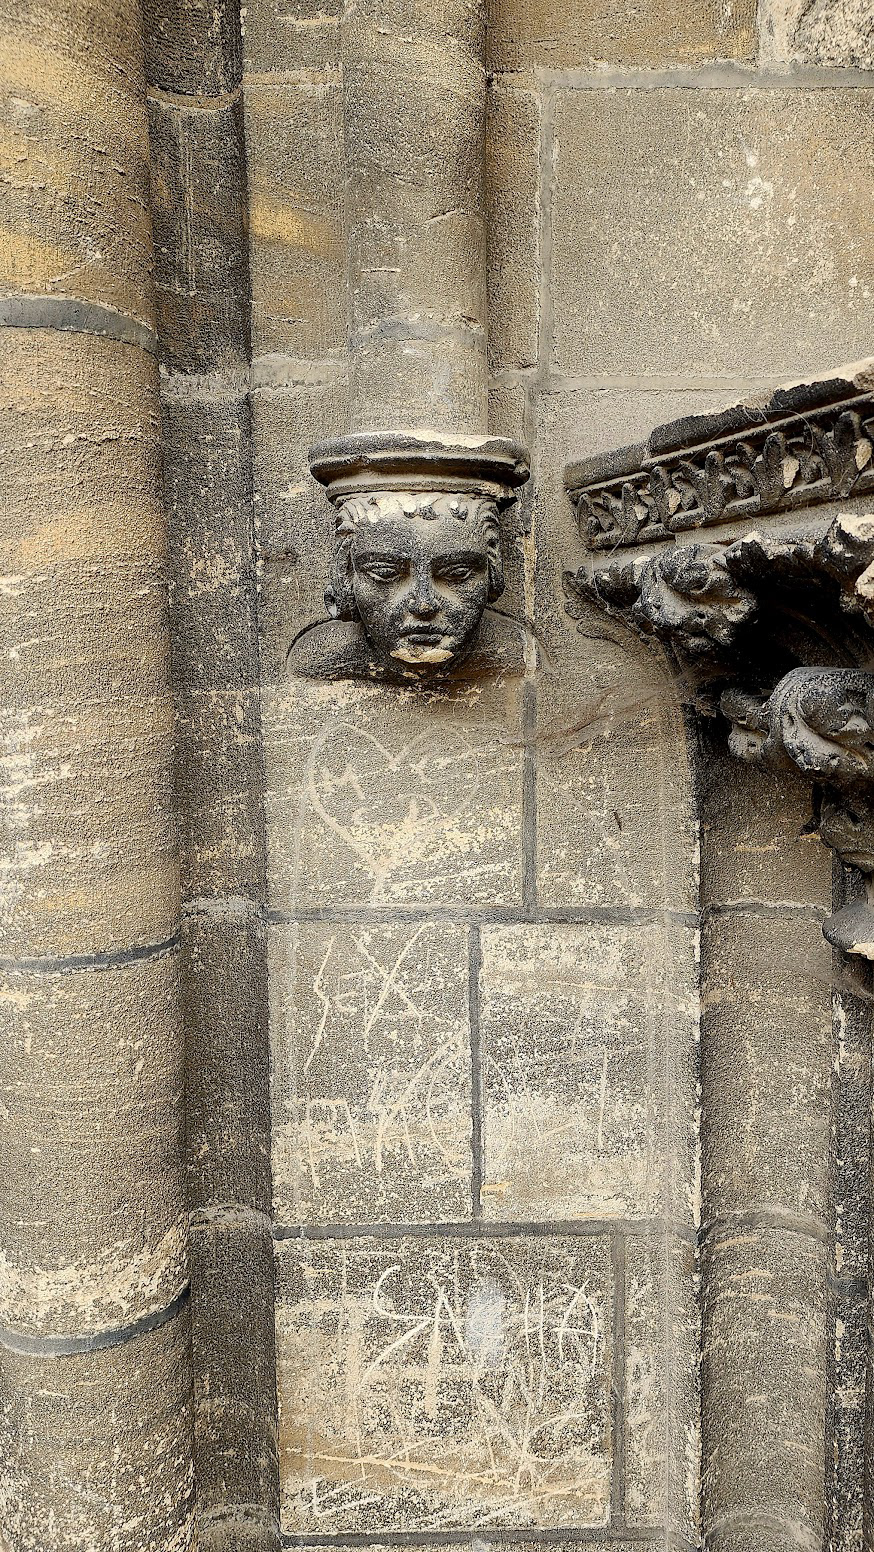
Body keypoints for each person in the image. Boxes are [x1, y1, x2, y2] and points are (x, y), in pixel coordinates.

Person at [287, 490, 525, 683]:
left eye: (457, 574)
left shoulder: (521, 655)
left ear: (493, 572)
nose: (423, 604)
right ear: (346, 576)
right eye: (385, 573)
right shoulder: (322, 660)